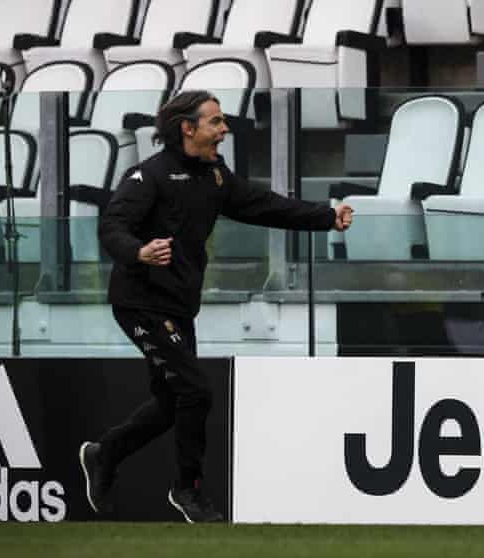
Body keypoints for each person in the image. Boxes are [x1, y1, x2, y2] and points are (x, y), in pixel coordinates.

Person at [78, 90, 353, 522]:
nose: (225, 129)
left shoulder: (216, 175)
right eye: (216, 122)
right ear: (188, 128)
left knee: (173, 402)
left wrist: (325, 216)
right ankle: (188, 490)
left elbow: (263, 205)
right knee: (195, 390)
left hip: (177, 304)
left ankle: (105, 452)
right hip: (140, 302)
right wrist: (139, 252)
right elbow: (112, 225)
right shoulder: (147, 176)